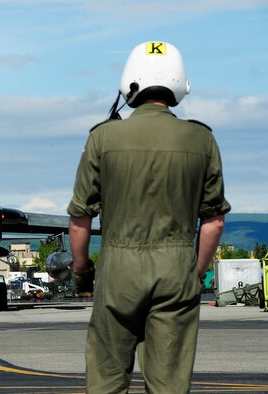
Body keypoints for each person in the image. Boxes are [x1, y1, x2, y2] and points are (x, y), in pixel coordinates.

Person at [67, 41, 231, 393]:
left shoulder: (102, 137)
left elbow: (80, 220)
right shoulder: (201, 139)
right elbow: (214, 222)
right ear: (179, 83)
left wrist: (82, 273)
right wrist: (194, 272)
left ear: (129, 83)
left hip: (118, 271)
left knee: (107, 381)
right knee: (170, 385)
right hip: (176, 269)